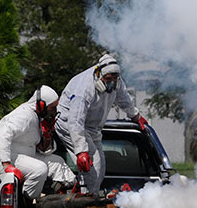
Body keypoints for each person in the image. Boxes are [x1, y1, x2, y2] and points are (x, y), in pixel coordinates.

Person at [55, 54, 147, 194]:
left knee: (100, 166)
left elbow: (124, 99)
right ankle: (86, 201)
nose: (111, 82)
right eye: (108, 79)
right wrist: (81, 151)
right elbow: (75, 121)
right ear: (98, 75)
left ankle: (88, 196)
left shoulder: (117, 82)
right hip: (69, 124)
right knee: (92, 165)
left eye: (114, 79)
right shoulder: (84, 89)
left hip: (92, 127)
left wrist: (135, 115)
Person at [0, 85, 76, 201]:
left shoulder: (37, 118)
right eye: (52, 108)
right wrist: (6, 164)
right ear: (41, 105)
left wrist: (47, 136)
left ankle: (69, 193)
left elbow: (40, 149)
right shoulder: (24, 115)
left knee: (57, 162)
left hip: (21, 155)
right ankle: (27, 202)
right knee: (39, 169)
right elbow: (2, 134)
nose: (54, 112)